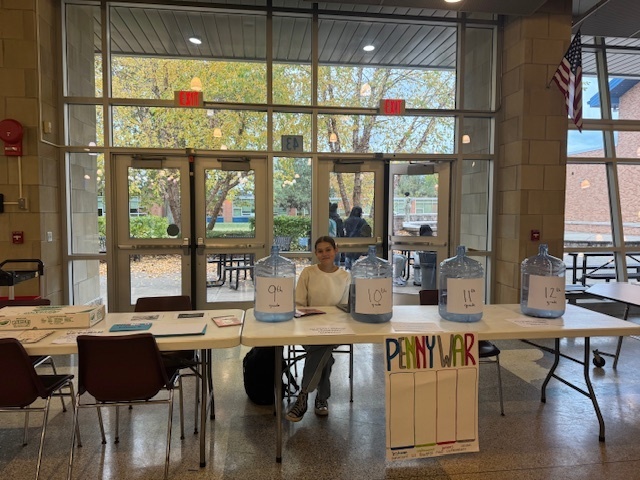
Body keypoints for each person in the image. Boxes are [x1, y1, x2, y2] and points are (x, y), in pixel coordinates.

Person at [286, 236, 351, 422]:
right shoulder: (308, 272)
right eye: (320, 251)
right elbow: (299, 303)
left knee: (323, 348)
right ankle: (321, 399)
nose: (324, 254)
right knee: (326, 359)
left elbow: (346, 307)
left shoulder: (345, 276)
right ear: (315, 254)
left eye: (328, 250)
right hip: (309, 327)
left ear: (335, 250)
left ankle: (303, 396)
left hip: (336, 328)